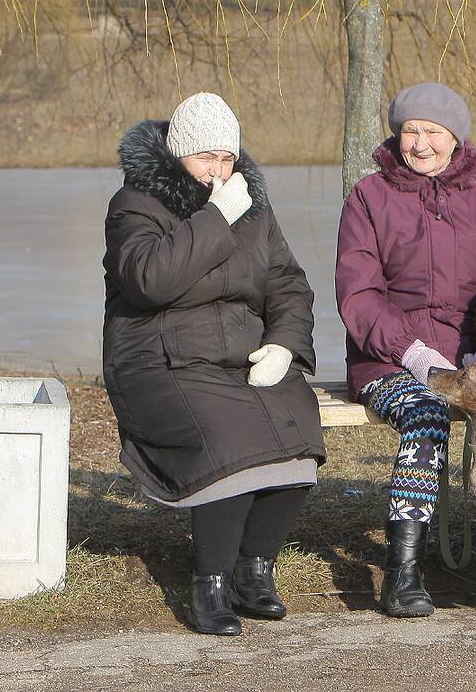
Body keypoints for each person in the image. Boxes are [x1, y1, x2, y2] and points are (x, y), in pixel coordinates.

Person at [103, 92, 325, 635]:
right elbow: (151, 280)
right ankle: (211, 583)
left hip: (241, 354)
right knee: (232, 443)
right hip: (159, 357)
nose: (218, 171)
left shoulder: (255, 208)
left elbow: (288, 284)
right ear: (179, 154)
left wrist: (284, 345)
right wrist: (215, 218)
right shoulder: (136, 204)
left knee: (300, 433)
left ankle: (255, 569)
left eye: (227, 158)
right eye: (206, 158)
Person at [335, 82, 476, 618]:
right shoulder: (369, 198)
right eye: (410, 131)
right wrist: (416, 354)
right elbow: (358, 295)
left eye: (433, 132)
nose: (420, 144)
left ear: (456, 137)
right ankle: (404, 570)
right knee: (425, 415)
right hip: (389, 358)